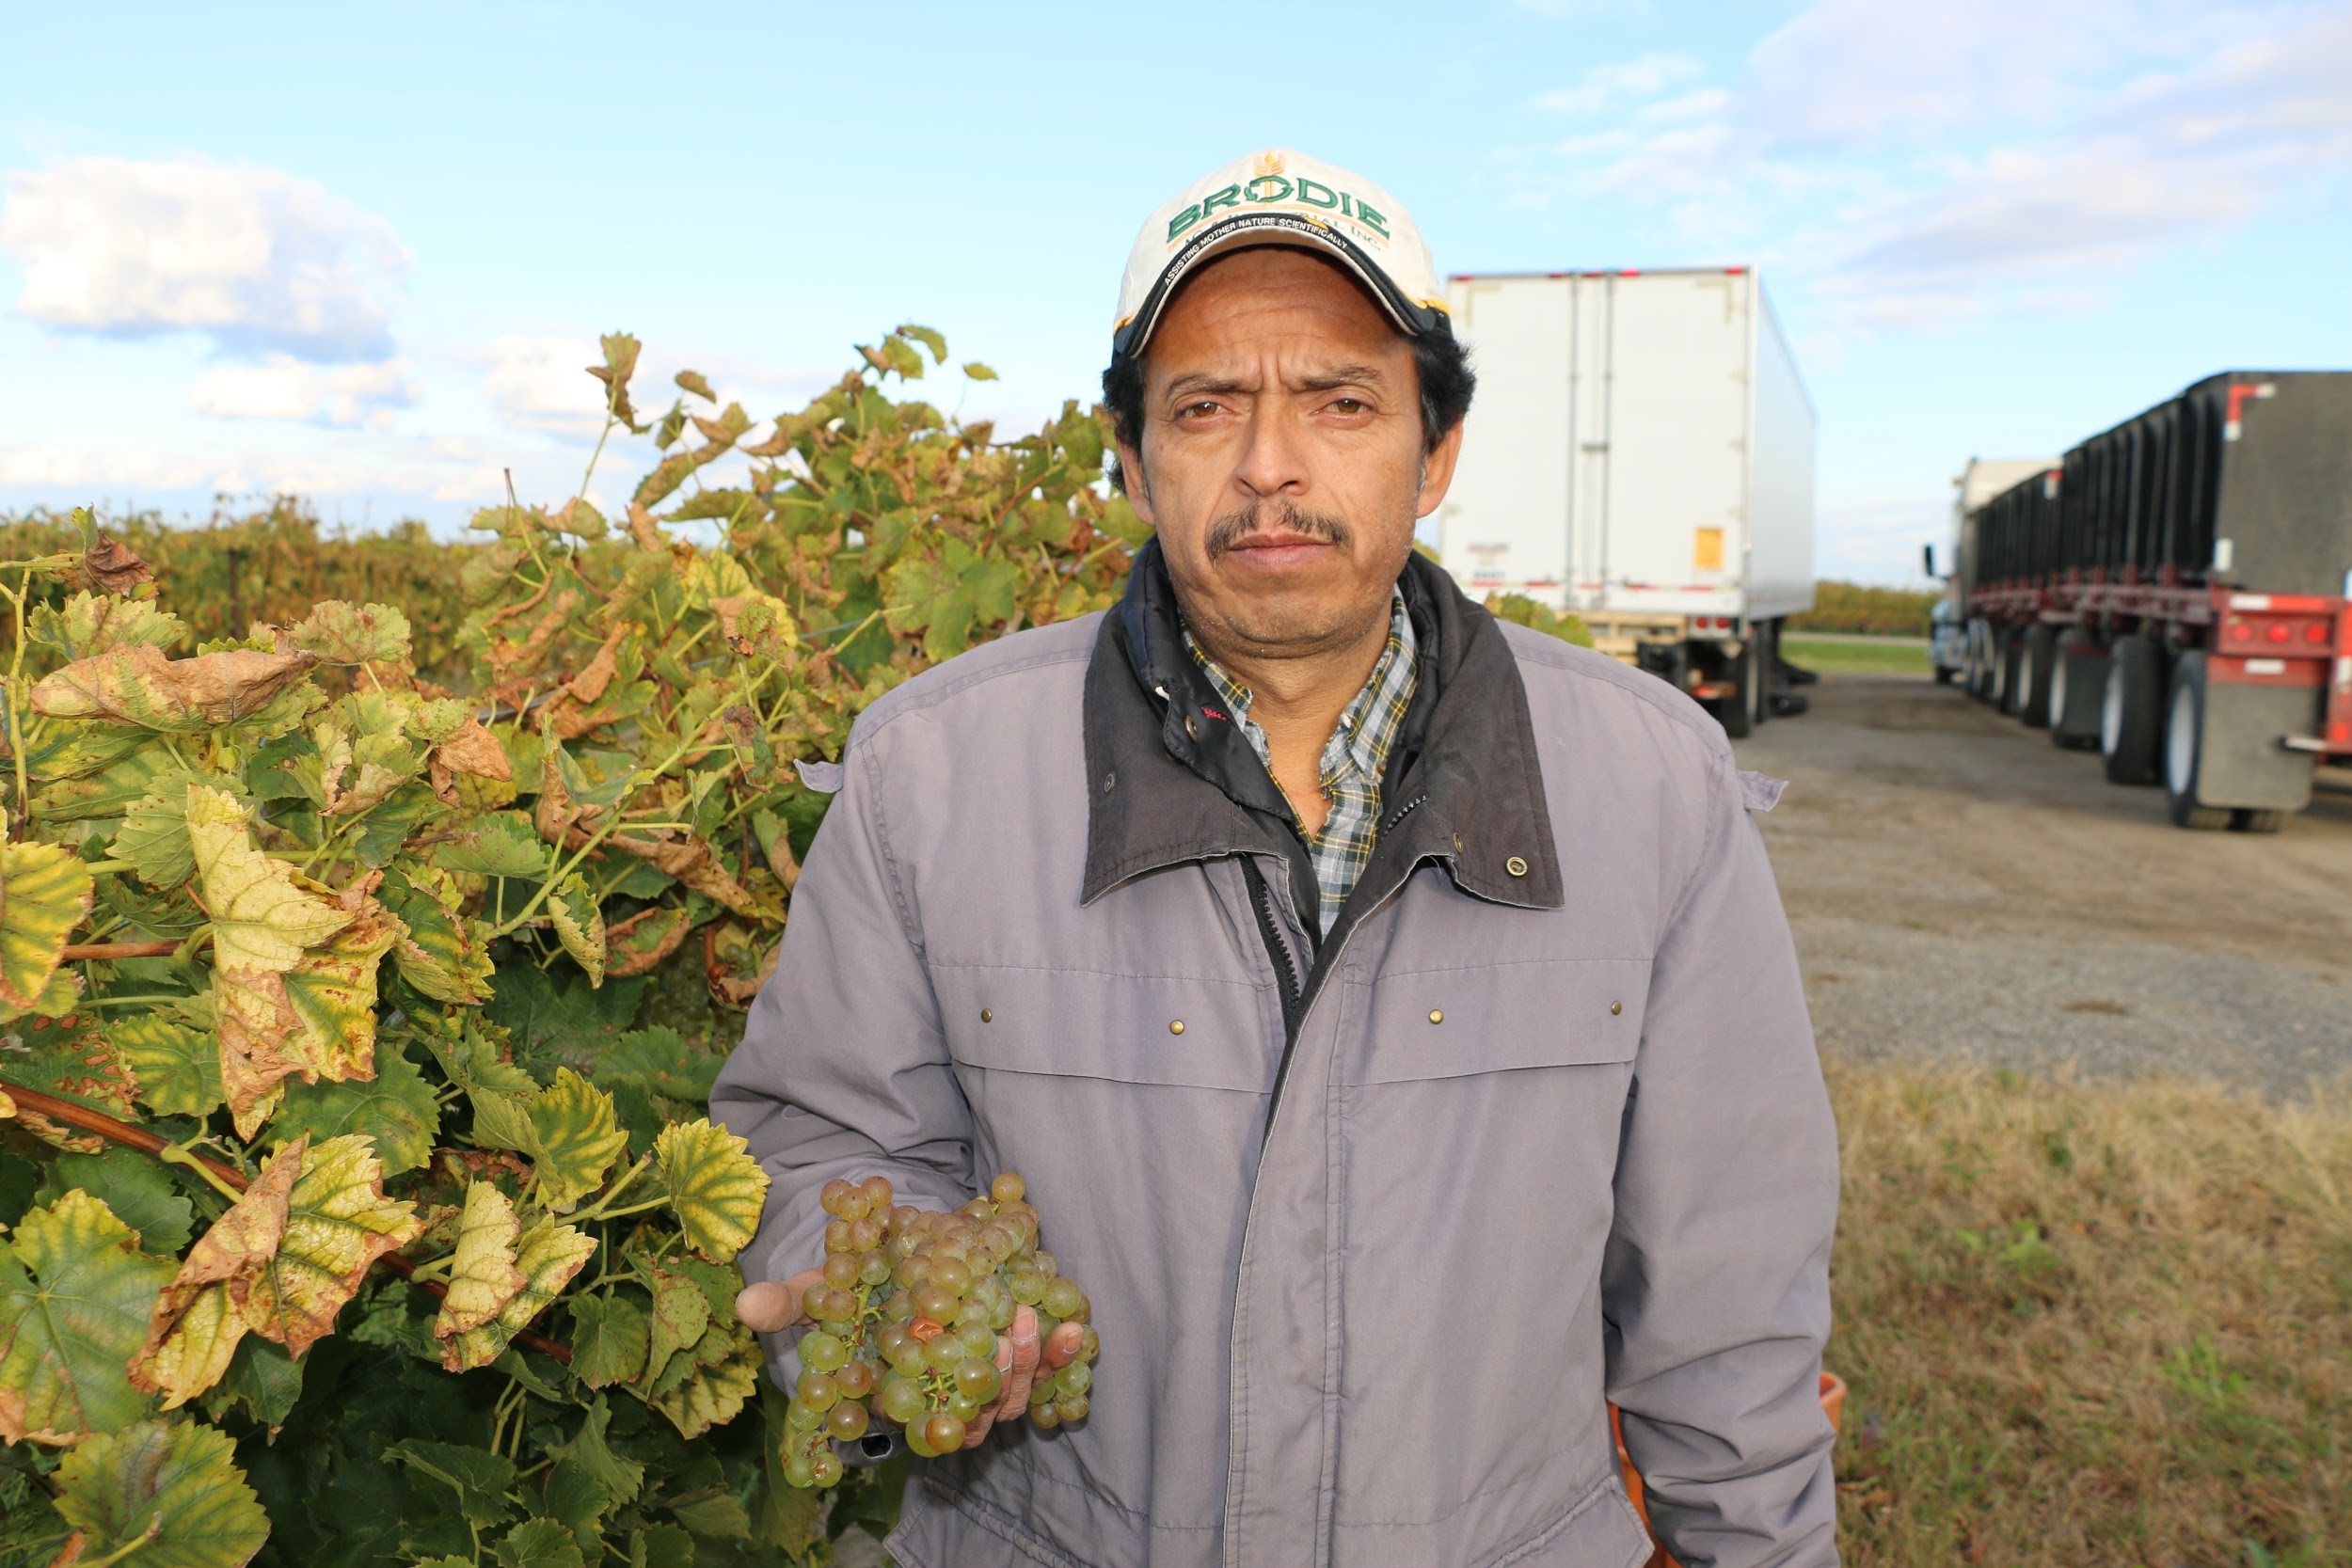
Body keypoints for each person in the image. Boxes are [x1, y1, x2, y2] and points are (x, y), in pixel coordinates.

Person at [714, 148, 1839, 1568]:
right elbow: (822, 1135)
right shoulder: (929, 774)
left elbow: (1730, 1309)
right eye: (1205, 407)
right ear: (1134, 462)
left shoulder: (1651, 785)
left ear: (1433, 455)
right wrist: (881, 1298)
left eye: (1341, 401)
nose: (1270, 465)